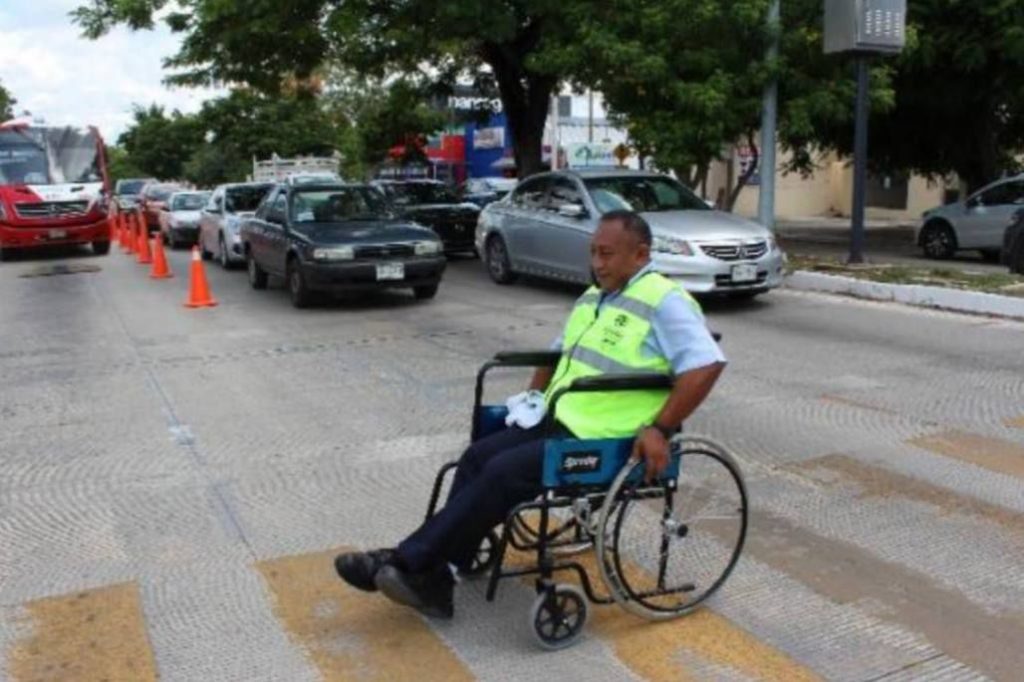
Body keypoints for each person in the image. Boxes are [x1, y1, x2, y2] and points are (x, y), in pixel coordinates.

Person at [335, 209, 726, 619]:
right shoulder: (594, 297)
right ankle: (444, 569)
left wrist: (661, 429)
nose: (597, 263)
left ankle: (405, 562)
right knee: (477, 456)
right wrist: (532, 400)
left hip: (608, 438)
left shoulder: (664, 300)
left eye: (607, 254)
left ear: (641, 254)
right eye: (594, 252)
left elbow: (706, 364)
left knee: (503, 472)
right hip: (560, 419)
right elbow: (555, 354)